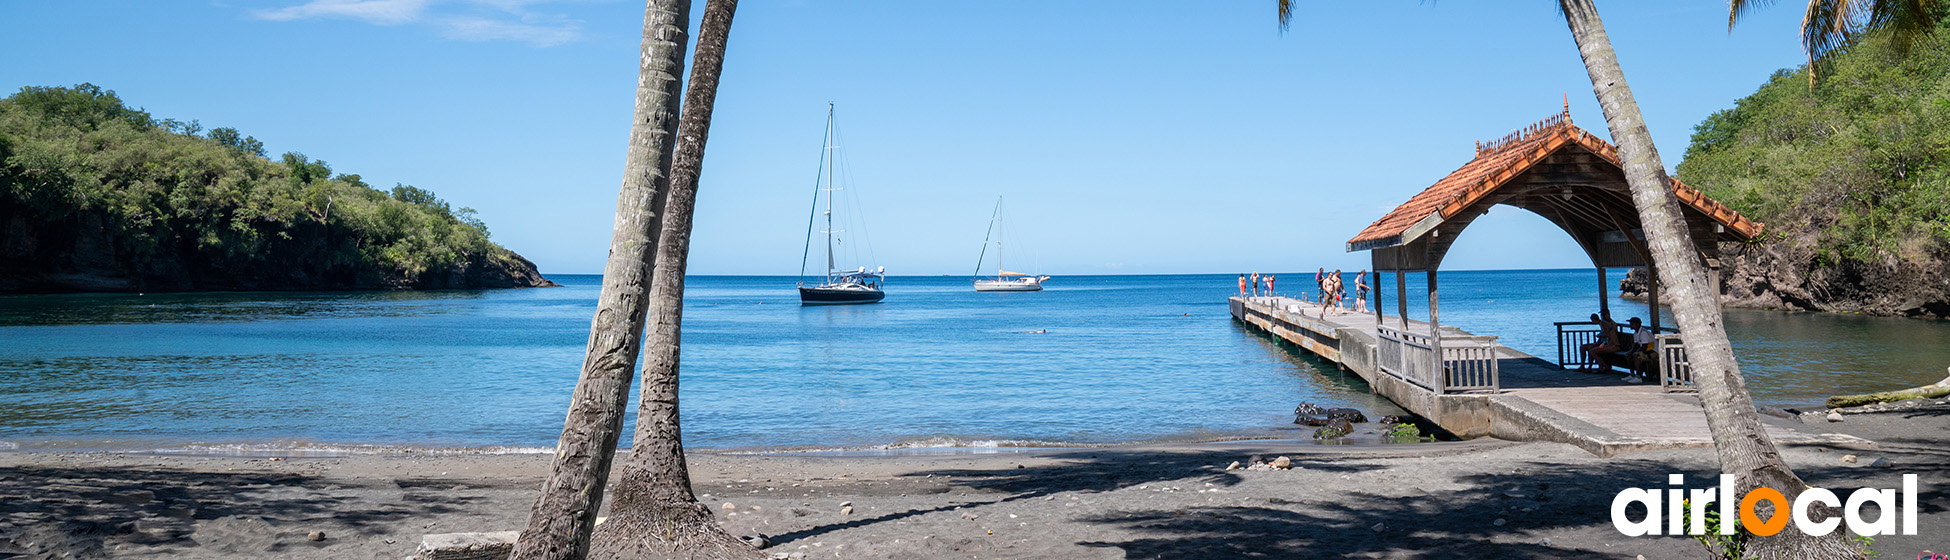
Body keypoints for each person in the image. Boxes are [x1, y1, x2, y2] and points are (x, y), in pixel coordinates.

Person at [1624, 317, 1654, 382]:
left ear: (1637, 324)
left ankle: (1638, 377)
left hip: (1652, 352)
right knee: (1628, 355)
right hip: (1646, 351)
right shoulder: (1636, 333)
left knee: (1637, 356)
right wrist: (1630, 352)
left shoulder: (1643, 332)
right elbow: (1636, 344)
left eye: (1632, 323)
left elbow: (1644, 346)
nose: (1630, 325)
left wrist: (1635, 353)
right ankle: (1632, 374)